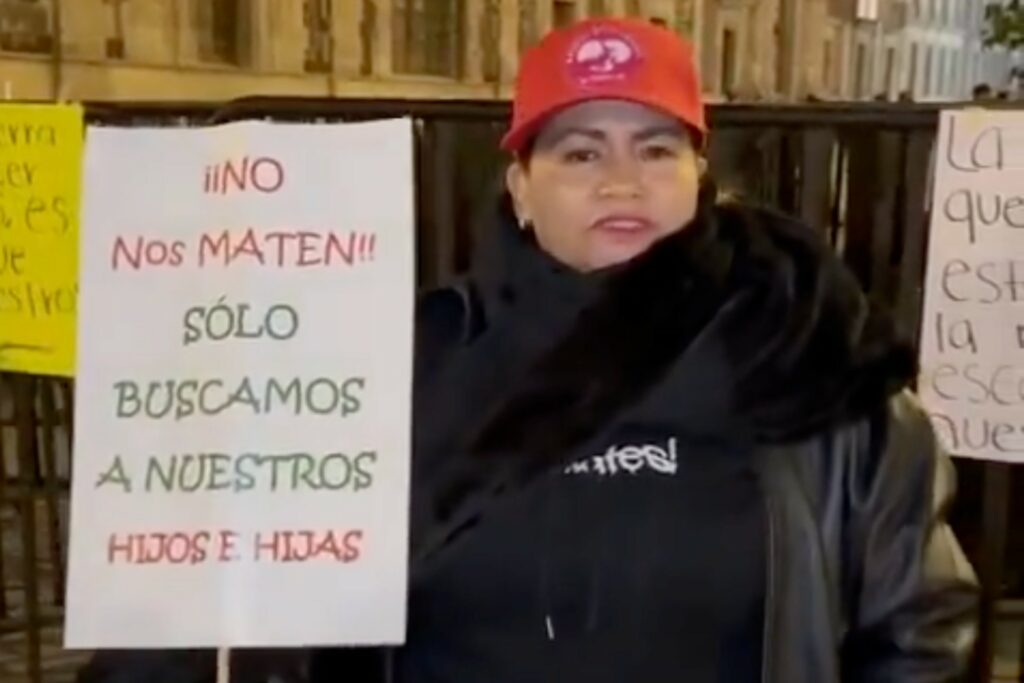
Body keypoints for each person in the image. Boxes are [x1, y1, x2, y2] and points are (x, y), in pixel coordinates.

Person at [78, 17, 978, 683]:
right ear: (519, 186)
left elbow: (921, 632)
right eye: (580, 154)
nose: (621, 180)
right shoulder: (394, 366)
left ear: (699, 176)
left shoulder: (816, 367)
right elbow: (236, 593)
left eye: (655, 149)